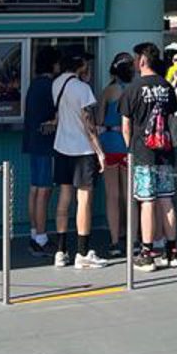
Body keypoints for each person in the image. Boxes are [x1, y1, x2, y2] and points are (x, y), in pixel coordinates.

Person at [121, 41, 177, 271]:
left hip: (142, 152)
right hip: (165, 152)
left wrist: (130, 151)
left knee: (146, 201)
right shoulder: (166, 87)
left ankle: (147, 253)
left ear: (143, 60)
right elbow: (173, 119)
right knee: (166, 200)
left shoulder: (133, 89)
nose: (135, 63)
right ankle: (172, 251)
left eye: (137, 59)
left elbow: (126, 126)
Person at [50, 51, 107, 268]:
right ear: (79, 65)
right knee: (84, 200)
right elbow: (88, 123)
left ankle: (61, 250)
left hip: (61, 146)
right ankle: (83, 252)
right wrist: (100, 152)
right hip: (82, 150)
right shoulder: (82, 88)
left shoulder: (56, 84)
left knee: (64, 197)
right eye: (85, 63)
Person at [21, 46, 59, 257]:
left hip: (33, 142)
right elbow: (56, 115)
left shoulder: (34, 86)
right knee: (44, 191)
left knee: (35, 189)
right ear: (53, 64)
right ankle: (42, 238)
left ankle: (35, 233)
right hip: (47, 144)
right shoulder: (50, 86)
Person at [98, 53, 135, 259]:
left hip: (110, 143)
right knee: (130, 194)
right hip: (129, 145)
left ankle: (114, 240)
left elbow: (99, 119)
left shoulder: (107, 91)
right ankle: (134, 238)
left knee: (112, 195)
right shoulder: (134, 90)